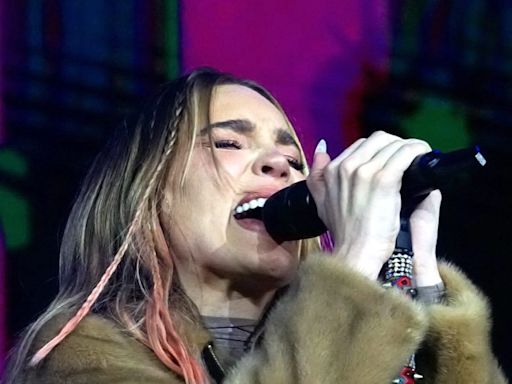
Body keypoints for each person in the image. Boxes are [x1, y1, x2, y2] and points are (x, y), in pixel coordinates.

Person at [3, 68, 508, 384]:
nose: (281, 166)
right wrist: (349, 276)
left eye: (292, 157)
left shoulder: (362, 336)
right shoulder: (79, 358)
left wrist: (419, 276)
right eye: (229, 143)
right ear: (148, 191)